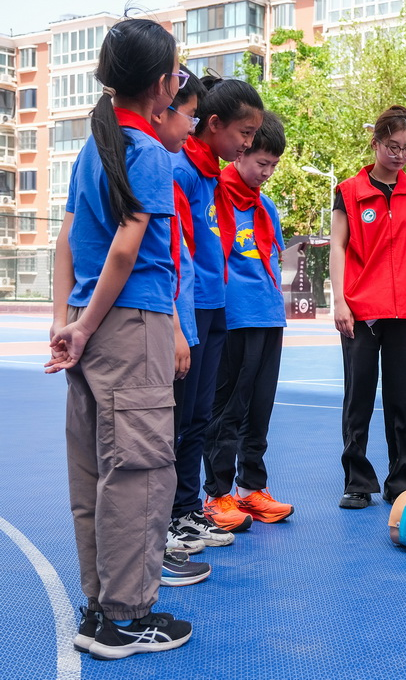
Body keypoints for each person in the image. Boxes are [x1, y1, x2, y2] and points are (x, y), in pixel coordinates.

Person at [45, 18, 194, 659]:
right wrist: (83, 323)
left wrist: (68, 319)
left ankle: (100, 605)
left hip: (91, 327)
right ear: (163, 85)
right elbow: (129, 249)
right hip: (129, 328)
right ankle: (127, 618)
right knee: (139, 471)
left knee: (96, 474)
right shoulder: (149, 154)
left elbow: (66, 242)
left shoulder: (91, 149)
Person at [330, 105, 406, 509]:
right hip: (362, 309)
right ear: (376, 143)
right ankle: (357, 481)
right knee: (358, 397)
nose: (400, 155)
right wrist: (340, 300)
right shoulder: (349, 190)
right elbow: (338, 247)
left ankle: (403, 480)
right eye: (393, 146)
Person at [172, 77, 265, 537]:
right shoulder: (184, 170)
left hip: (215, 304)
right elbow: (175, 250)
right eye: (244, 134)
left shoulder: (211, 174)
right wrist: (178, 321)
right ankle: (172, 514)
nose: (249, 142)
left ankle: (189, 510)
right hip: (189, 310)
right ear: (213, 124)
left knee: (200, 416)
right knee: (180, 416)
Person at [202, 112, 294, 523]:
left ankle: (252, 488)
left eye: (274, 165)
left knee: (259, 410)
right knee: (227, 410)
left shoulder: (266, 207)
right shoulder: (215, 195)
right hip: (233, 319)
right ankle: (217, 493)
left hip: (268, 317)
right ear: (241, 153)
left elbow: (271, 259)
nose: (267, 172)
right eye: (262, 162)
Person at [149, 64, 208, 558]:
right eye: (188, 115)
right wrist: (175, 328)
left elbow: (178, 257)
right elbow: (152, 259)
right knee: (156, 440)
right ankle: (157, 537)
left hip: (175, 320)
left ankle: (169, 525)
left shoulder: (166, 165)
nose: (191, 127)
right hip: (152, 325)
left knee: (180, 427)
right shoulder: (154, 164)